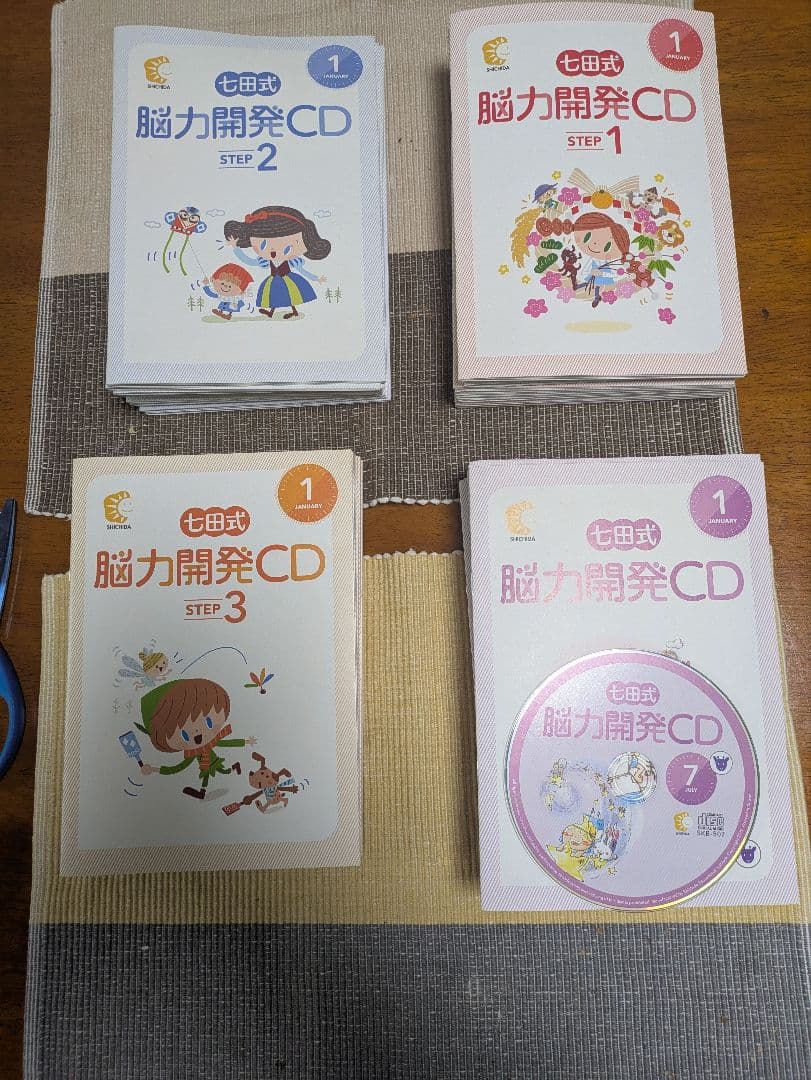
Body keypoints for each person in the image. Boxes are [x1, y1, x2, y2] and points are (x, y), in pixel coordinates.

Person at [137, 678, 256, 800]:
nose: (198, 735)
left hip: (214, 761)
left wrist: (246, 741)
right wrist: (154, 769)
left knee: (222, 770)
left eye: (208, 722)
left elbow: (228, 743)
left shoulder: (210, 743)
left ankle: (232, 769)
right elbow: (177, 768)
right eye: (184, 735)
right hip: (205, 766)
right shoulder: (192, 752)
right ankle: (203, 791)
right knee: (206, 774)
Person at [223, 205, 330, 320]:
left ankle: (294, 311)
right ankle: (271, 312)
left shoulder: (292, 261)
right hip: (273, 280)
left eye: (287, 248)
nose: (273, 251)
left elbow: (302, 270)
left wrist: (316, 278)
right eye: (263, 245)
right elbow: (249, 261)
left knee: (291, 295)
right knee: (273, 296)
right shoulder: (265, 261)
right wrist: (236, 248)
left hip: (289, 280)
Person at [571, 212, 630, 307]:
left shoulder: (606, 263)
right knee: (590, 283)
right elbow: (586, 268)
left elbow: (613, 275)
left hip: (601, 277)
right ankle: (579, 287)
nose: (595, 244)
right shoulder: (593, 259)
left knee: (596, 285)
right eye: (587, 238)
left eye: (607, 246)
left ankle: (596, 297)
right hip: (593, 276)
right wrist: (588, 272)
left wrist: (601, 273)